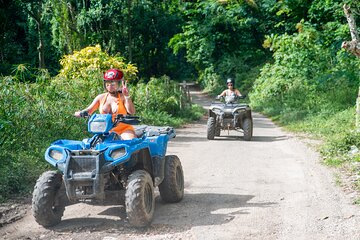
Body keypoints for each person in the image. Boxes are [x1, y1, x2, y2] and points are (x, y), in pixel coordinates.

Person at [74, 68, 136, 140]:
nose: (110, 85)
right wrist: (80, 113)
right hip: (104, 130)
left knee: (130, 142)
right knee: (92, 145)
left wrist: (127, 96)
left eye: (113, 83)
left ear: (119, 84)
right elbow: (89, 110)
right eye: (107, 83)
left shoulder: (123, 97)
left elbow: (131, 111)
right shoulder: (101, 97)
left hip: (123, 129)